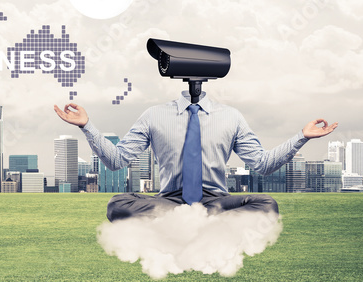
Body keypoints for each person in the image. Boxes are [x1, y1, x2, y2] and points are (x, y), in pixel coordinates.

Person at [54, 95, 338, 221]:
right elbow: (117, 160)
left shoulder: (230, 116)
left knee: (267, 205)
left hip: (216, 199)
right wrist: (86, 126)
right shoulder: (155, 115)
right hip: (170, 200)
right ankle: (194, 221)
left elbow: (262, 164)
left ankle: (197, 221)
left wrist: (302, 137)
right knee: (117, 205)